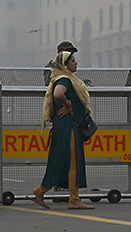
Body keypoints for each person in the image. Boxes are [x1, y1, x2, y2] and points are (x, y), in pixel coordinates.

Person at [31, 51, 94, 210]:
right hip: (68, 125)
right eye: (73, 60)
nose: (76, 63)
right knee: (73, 161)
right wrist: (67, 105)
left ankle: (64, 196)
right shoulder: (64, 79)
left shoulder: (61, 78)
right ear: (65, 65)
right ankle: (70, 199)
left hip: (65, 125)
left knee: (64, 161)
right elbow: (59, 94)